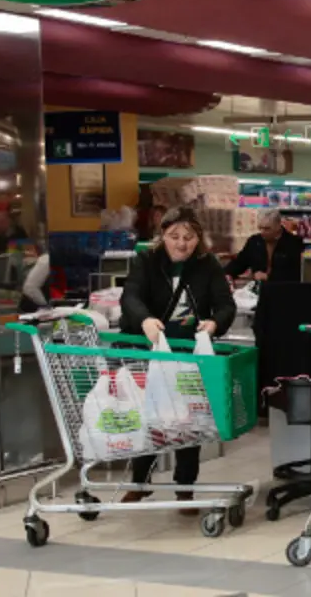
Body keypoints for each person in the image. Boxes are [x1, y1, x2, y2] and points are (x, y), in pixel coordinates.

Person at [119, 207, 236, 514]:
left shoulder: (207, 264)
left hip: (186, 353)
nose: (181, 244)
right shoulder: (146, 260)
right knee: (148, 417)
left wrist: (213, 324)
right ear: (163, 236)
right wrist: (144, 320)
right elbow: (130, 296)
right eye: (174, 237)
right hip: (149, 351)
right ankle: (139, 483)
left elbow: (225, 305)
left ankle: (185, 488)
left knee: (188, 421)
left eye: (189, 237)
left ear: (199, 238)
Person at [223, 209, 304, 284]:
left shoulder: (293, 243)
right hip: (258, 290)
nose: (262, 232)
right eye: (260, 228)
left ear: (278, 226)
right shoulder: (254, 241)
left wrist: (268, 277)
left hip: (284, 291)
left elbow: (297, 274)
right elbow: (240, 262)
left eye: (267, 229)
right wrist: (227, 273)